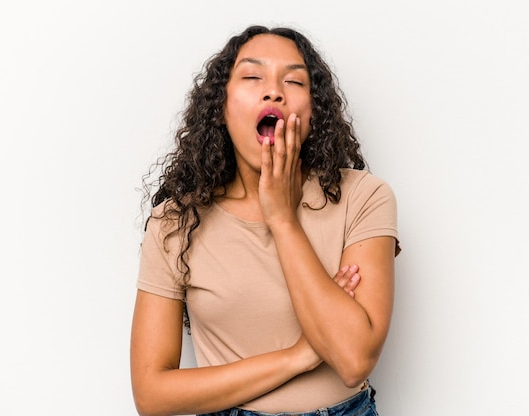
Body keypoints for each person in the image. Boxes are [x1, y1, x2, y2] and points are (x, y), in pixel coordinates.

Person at [131, 25, 400, 416]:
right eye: (252, 77)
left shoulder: (364, 197)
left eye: (293, 81)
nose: (274, 90)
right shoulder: (176, 221)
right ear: (220, 107)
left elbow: (353, 359)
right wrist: (299, 356)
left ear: (314, 111)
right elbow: (152, 394)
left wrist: (282, 219)